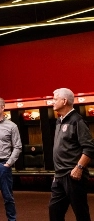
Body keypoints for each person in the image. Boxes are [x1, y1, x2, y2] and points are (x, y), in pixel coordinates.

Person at [49, 88, 94, 221]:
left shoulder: (77, 120)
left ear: (64, 101)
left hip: (73, 175)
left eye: (55, 99)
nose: (52, 102)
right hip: (59, 175)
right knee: (54, 211)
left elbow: (89, 148)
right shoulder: (59, 121)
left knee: (81, 213)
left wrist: (79, 168)